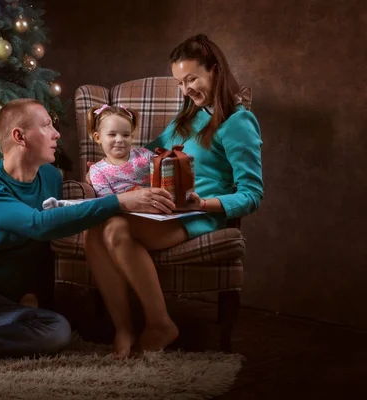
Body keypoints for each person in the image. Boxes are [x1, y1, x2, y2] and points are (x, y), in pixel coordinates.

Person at [0, 98, 178, 381]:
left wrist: (36, 296)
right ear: (20, 136)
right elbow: (37, 225)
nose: (57, 133)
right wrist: (120, 201)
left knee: (57, 331)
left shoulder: (50, 177)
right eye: (47, 125)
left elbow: (43, 244)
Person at [84, 33, 264, 359]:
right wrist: (106, 165)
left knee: (114, 228)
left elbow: (252, 194)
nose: (186, 90)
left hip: (200, 214)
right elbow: (151, 152)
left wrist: (204, 203)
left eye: (191, 78)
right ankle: (123, 329)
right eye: (180, 82)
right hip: (166, 207)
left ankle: (160, 324)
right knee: (94, 232)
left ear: (215, 70)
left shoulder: (239, 122)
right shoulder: (188, 116)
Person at [87, 104, 153, 196]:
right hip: (121, 210)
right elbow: (108, 201)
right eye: (112, 134)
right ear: (98, 138)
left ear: (132, 137)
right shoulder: (97, 171)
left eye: (126, 135)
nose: (120, 140)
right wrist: (133, 195)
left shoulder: (145, 155)